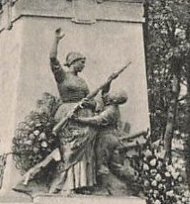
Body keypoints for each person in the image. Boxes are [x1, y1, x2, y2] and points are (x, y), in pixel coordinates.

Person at [48, 27, 101, 193]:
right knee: (70, 151)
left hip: (84, 117)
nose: (83, 65)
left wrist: (92, 104)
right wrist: (56, 40)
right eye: (81, 62)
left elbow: (91, 101)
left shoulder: (83, 82)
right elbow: (52, 59)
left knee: (85, 153)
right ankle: (66, 184)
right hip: (68, 117)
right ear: (73, 62)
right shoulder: (63, 76)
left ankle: (81, 184)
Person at [76, 90, 136, 195]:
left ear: (115, 100)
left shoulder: (111, 110)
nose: (110, 95)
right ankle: (134, 178)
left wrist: (80, 120)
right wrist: (109, 81)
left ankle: (102, 188)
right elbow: (104, 94)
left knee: (101, 164)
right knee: (115, 166)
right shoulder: (113, 108)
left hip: (105, 139)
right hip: (113, 138)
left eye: (114, 95)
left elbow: (97, 120)